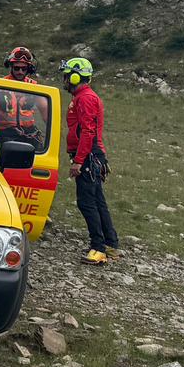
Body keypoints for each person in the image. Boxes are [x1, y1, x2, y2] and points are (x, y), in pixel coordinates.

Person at [62, 57, 119, 265]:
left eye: (67, 76)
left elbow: (88, 131)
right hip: (92, 155)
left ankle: (98, 248)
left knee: (87, 203)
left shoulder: (85, 98)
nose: (65, 80)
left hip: (88, 156)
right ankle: (111, 244)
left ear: (76, 76)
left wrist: (78, 161)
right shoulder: (83, 97)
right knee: (98, 201)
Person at [0, 46, 47, 147]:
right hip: (6, 133)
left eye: (23, 69)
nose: (20, 71)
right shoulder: (0, 85)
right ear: (11, 66)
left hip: (29, 133)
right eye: (16, 68)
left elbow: (46, 110)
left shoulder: (34, 86)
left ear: (29, 69)